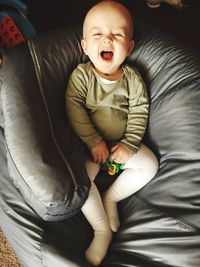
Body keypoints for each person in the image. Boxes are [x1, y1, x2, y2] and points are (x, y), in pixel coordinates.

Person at [65, 1, 159, 265]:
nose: (107, 38)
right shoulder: (82, 75)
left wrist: (130, 143)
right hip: (90, 147)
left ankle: (111, 198)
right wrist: (93, 141)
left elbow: (140, 110)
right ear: (85, 46)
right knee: (79, 182)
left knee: (150, 165)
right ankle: (101, 229)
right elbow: (74, 108)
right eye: (98, 34)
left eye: (117, 34)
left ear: (129, 47)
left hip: (121, 147)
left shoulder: (132, 77)